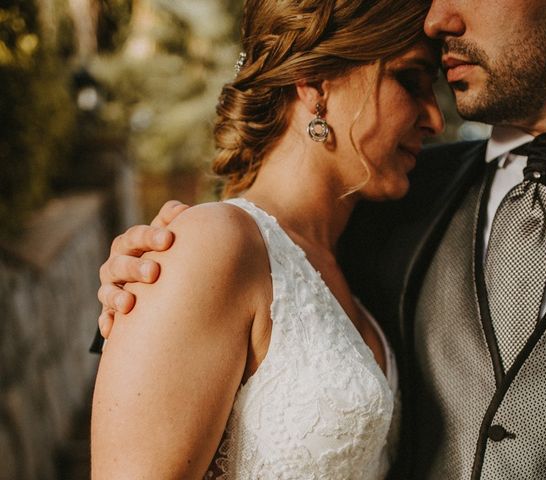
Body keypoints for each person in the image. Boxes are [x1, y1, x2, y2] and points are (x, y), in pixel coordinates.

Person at [97, 0, 546, 478]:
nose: (439, 16)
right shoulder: (404, 195)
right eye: (409, 79)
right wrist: (149, 282)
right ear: (313, 81)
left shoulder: (363, 207)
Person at [90, 0, 445, 478]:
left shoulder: (355, 254)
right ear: (317, 82)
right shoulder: (214, 244)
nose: (436, 119)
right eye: (411, 79)